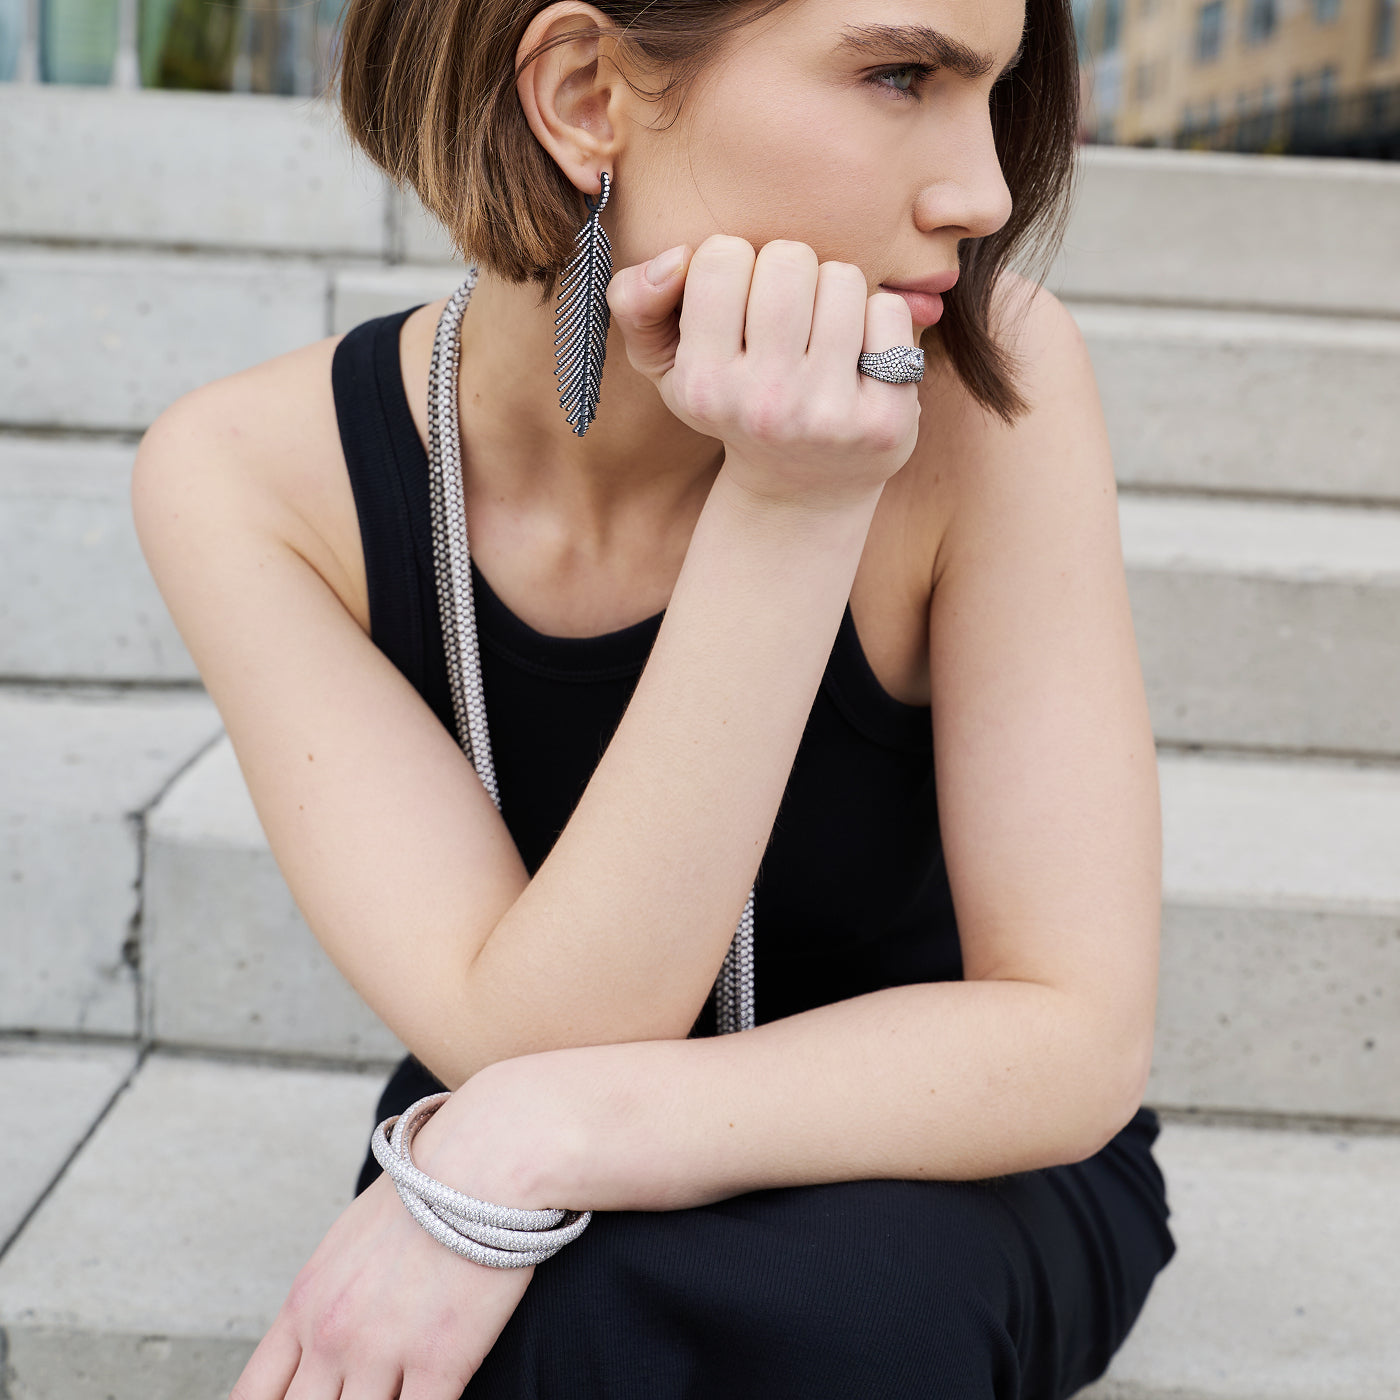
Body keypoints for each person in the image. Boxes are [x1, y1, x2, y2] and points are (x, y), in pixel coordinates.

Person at [130, 0, 1178, 1395]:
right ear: (581, 91)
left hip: (950, 1138)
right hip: (531, 1103)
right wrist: (789, 503)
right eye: (901, 74)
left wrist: (809, 494)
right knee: (572, 1321)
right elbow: (524, 1038)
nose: (984, 192)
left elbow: (1072, 1033)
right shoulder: (252, 478)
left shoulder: (994, 390)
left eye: (990, 92)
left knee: (816, 1325)